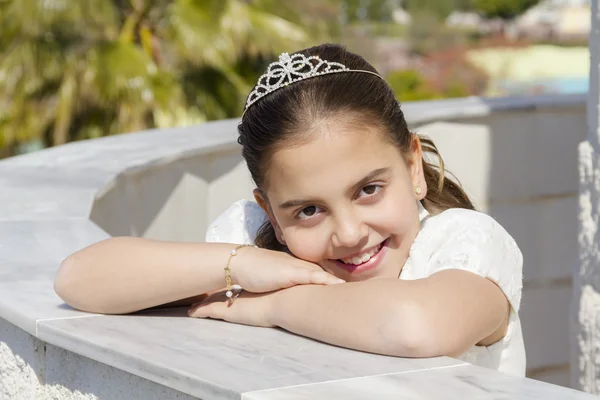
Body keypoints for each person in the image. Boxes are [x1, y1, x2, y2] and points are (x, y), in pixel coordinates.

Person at [54, 43, 525, 376]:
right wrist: (244, 264)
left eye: (368, 190)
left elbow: (414, 327)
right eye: (308, 211)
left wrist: (272, 307)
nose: (348, 233)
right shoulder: (253, 248)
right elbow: (79, 280)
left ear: (412, 165)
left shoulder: (464, 243)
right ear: (270, 213)